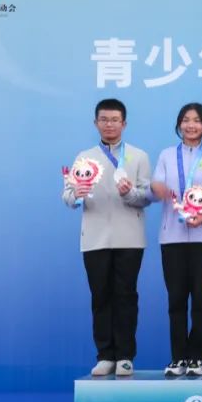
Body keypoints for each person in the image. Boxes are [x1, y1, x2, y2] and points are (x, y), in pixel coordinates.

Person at [62, 98, 151, 377]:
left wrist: (130, 193)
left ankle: (125, 356)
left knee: (126, 296)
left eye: (114, 120)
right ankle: (105, 355)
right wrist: (75, 195)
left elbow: (146, 196)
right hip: (94, 238)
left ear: (124, 123)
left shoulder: (138, 156)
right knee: (100, 296)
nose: (109, 124)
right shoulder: (84, 157)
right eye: (104, 119)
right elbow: (68, 196)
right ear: (95, 123)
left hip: (130, 238)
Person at [150, 103, 202, 377]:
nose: (190, 125)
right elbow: (155, 187)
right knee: (176, 300)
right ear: (179, 124)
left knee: (201, 300)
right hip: (172, 238)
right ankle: (178, 357)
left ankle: (197, 357)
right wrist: (156, 189)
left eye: (196, 120)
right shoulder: (166, 155)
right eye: (185, 120)